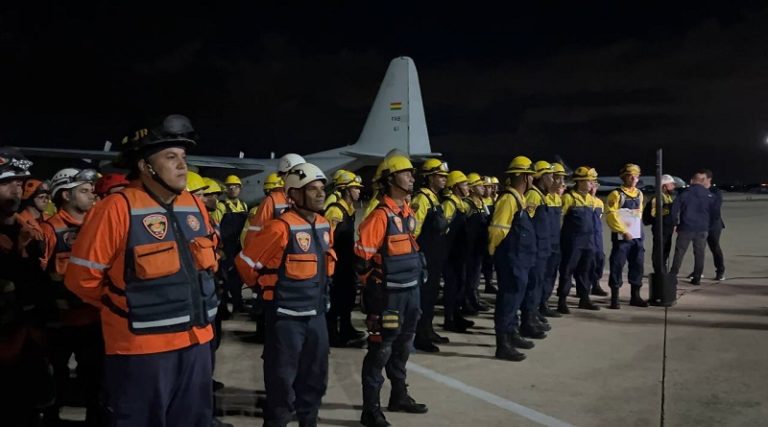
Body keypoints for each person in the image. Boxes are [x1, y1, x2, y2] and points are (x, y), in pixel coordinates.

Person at [65, 115, 219, 426]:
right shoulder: (115, 208)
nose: (182, 166)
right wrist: (129, 306)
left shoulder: (195, 205)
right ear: (145, 166)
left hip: (197, 343)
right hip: (141, 350)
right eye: (170, 157)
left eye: (184, 157)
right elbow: (81, 280)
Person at [236, 162, 333, 427]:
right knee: (281, 381)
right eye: (312, 189)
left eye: (321, 188)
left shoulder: (324, 225)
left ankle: (308, 421)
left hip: (316, 316)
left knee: (315, 378)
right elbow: (245, 263)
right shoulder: (279, 227)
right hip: (286, 319)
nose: (320, 193)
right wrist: (267, 289)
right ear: (294, 194)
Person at [355, 154, 428, 426]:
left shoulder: (407, 212)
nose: (412, 176)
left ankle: (399, 395)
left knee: (403, 347)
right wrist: (373, 299)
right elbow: (361, 261)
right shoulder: (379, 216)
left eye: (412, 172)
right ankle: (370, 410)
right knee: (381, 350)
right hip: (388, 296)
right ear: (389, 179)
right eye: (406, 172)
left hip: (410, 292)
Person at [41, 167, 102, 425]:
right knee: (54, 379)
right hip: (60, 323)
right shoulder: (49, 231)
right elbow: (39, 277)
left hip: (92, 319)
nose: (92, 196)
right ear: (65, 194)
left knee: (96, 381)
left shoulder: (98, 227)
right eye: (84, 191)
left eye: (92, 191)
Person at [0, 147, 56, 425]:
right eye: (7, 181)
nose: (16, 188)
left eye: (20, 183)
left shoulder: (30, 232)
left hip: (27, 340)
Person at [488, 156, 537, 361]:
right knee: (508, 300)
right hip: (511, 258)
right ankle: (503, 344)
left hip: (520, 258)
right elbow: (497, 230)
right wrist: (493, 252)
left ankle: (512, 334)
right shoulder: (509, 199)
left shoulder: (518, 197)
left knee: (515, 298)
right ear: (526, 177)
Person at [410, 158, 450, 352]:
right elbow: (413, 232)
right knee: (424, 298)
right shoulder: (422, 199)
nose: (444, 179)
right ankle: (420, 336)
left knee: (432, 296)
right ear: (429, 177)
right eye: (440, 176)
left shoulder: (434, 199)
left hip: (435, 258)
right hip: (425, 258)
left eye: (445, 176)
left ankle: (428, 329)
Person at [324, 170, 366, 347]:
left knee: (347, 298)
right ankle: (332, 335)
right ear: (347, 190)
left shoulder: (349, 209)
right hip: (337, 264)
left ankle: (346, 329)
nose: (359, 191)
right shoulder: (335, 210)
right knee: (336, 300)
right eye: (355, 188)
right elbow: (326, 240)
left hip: (347, 262)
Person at [557, 167, 600, 313]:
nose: (593, 184)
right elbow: (558, 218)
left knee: (586, 270)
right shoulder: (569, 198)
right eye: (590, 181)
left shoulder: (590, 199)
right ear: (580, 182)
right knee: (567, 270)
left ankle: (584, 299)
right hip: (573, 241)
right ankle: (562, 300)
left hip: (588, 241)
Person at [605, 163, 647, 309]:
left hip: (637, 237)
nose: (634, 178)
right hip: (623, 238)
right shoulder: (616, 194)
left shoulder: (639, 194)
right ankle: (615, 298)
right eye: (631, 175)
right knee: (617, 265)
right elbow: (611, 215)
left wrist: (637, 233)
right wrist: (623, 231)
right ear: (624, 177)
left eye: (636, 175)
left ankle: (635, 296)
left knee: (637, 265)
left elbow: (638, 214)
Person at [521, 161, 554, 336]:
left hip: (543, 249)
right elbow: (528, 223)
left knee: (538, 284)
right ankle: (527, 321)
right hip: (536, 250)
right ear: (541, 178)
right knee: (532, 286)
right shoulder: (533, 196)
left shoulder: (540, 195)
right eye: (550, 176)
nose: (553, 179)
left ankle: (533, 316)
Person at [441, 170, 474, 333]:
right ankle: (449, 319)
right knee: (451, 286)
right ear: (455, 187)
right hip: (450, 255)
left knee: (459, 285)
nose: (468, 187)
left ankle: (456, 314)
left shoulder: (460, 204)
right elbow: (443, 230)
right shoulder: (450, 204)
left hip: (458, 254)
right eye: (464, 184)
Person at [669, 170, 714, 285]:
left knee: (679, 252)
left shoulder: (685, 193)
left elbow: (674, 209)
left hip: (686, 227)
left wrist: (675, 223)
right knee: (700, 253)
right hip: (702, 228)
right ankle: (697, 278)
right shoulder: (708, 194)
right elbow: (714, 211)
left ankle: (673, 276)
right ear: (703, 181)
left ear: (691, 180)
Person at [539, 162, 567, 318]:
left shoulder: (557, 198)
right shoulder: (541, 197)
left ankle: (544, 302)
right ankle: (537, 306)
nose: (562, 183)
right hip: (544, 244)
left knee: (550, 274)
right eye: (558, 178)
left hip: (555, 243)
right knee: (540, 276)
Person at [218, 174, 249, 314]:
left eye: (236, 187)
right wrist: (219, 248)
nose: (233, 190)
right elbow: (214, 229)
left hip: (238, 248)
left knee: (237, 278)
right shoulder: (221, 206)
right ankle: (223, 308)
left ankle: (238, 305)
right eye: (230, 187)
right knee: (223, 279)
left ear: (240, 189)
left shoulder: (243, 205)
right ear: (226, 190)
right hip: (225, 249)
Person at [463, 172, 491, 314]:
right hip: (469, 246)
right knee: (469, 276)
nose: (483, 188)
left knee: (475, 276)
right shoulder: (467, 204)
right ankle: (467, 302)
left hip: (478, 246)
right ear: (472, 188)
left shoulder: (481, 203)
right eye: (479, 186)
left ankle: (474, 299)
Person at [643, 174, 677, 271]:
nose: (674, 186)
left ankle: (663, 270)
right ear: (664, 186)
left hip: (667, 229)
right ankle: (659, 271)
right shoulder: (657, 198)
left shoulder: (667, 197)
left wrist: (674, 223)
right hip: (660, 229)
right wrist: (668, 208)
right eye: (672, 184)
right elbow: (655, 214)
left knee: (665, 251)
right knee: (659, 251)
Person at [697, 169, 726, 281]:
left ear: (709, 179)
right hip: (700, 223)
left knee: (714, 247)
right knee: (699, 248)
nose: (700, 180)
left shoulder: (715, 191)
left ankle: (720, 271)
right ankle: (698, 271)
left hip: (713, 224)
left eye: (702, 178)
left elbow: (715, 210)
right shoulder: (697, 191)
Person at [589, 171, 608, 297]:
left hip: (597, 235)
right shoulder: (581, 200)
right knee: (584, 262)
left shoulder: (599, 202)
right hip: (585, 235)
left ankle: (596, 284)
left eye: (595, 184)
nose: (593, 186)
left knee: (600, 259)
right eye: (591, 183)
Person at [481, 176, 499, 294]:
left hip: (489, 234)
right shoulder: (480, 201)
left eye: (491, 187)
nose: (491, 189)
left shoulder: (494, 200)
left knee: (489, 262)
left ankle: (489, 282)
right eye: (487, 187)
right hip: (481, 235)